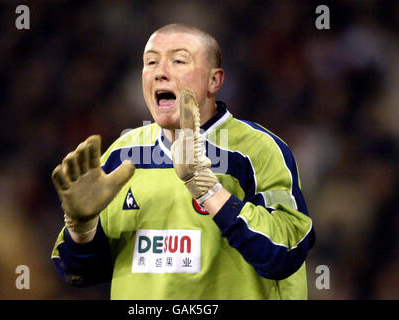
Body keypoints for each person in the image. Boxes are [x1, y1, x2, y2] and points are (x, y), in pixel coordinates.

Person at [50, 23, 315, 299]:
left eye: (178, 60)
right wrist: (82, 230)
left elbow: (287, 252)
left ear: (215, 80)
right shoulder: (123, 154)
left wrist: (208, 189)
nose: (160, 72)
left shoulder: (256, 150)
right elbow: (77, 273)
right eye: (150, 62)